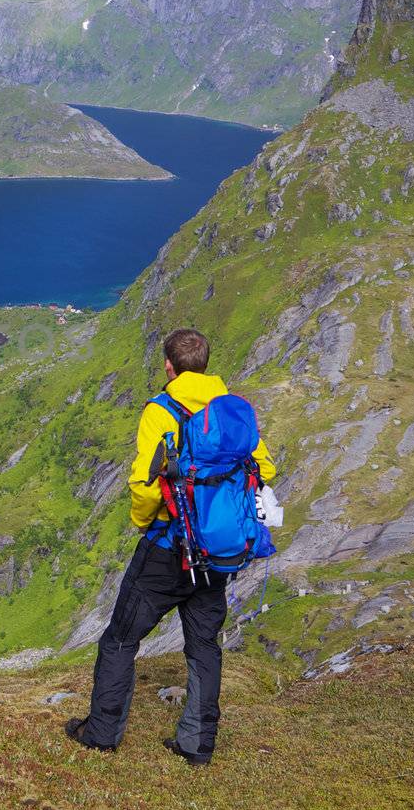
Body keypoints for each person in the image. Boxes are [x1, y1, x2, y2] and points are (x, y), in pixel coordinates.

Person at [65, 327, 276, 764]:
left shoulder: (161, 411)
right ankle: (197, 744)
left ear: (168, 365)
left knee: (121, 639)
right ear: (206, 363)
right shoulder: (231, 411)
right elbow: (265, 469)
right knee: (203, 644)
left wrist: (145, 522)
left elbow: (145, 485)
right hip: (217, 552)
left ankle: (101, 733)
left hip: (168, 548)